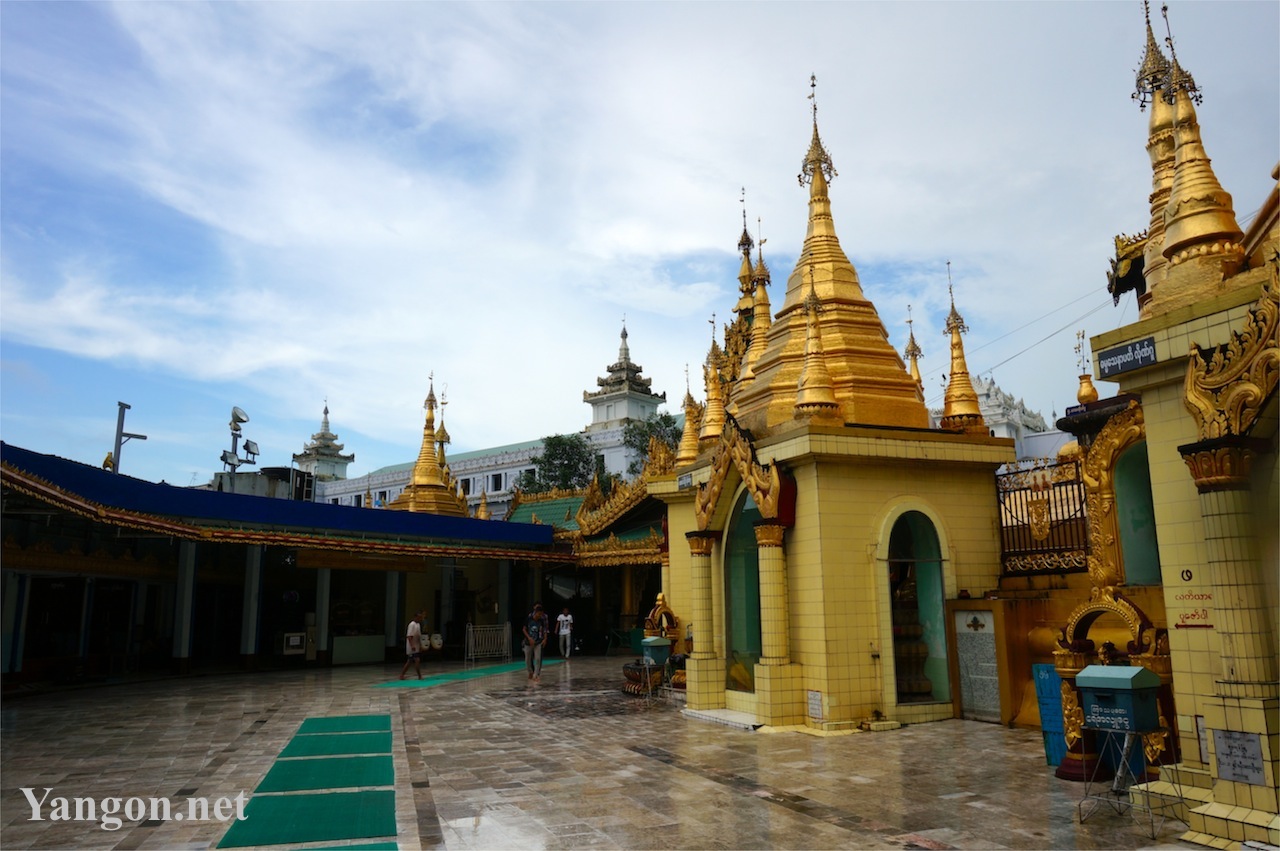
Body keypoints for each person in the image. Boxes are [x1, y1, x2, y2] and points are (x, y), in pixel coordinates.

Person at [522, 603, 549, 682]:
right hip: (528, 642)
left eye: (541, 614)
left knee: (537, 659)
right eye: (539, 614)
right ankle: (530, 671)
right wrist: (529, 638)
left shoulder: (541, 621)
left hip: (538, 642)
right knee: (527, 659)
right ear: (536, 612)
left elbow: (544, 630)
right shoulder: (529, 619)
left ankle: (536, 675)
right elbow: (524, 629)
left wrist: (545, 639)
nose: (540, 616)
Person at [399, 610, 425, 680]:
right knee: (416, 660)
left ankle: (402, 674)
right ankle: (419, 676)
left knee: (410, 661)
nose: (420, 619)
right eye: (419, 617)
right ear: (415, 617)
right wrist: (412, 645)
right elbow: (409, 636)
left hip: (416, 645)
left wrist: (420, 645)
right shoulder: (412, 624)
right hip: (411, 646)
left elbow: (418, 636)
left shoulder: (418, 625)